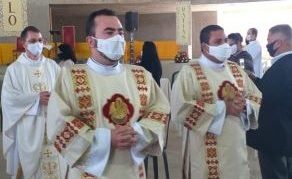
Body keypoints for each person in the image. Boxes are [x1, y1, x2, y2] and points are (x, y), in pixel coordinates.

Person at [47, 9, 170, 179]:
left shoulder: (140, 75)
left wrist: (138, 133)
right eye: (109, 32)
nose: (118, 38)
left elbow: (160, 110)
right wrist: (106, 139)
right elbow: (58, 122)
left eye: (120, 33)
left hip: (132, 169)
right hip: (88, 172)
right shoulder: (70, 77)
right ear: (91, 41)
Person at [171, 25, 262, 179]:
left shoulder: (235, 69)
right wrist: (223, 108)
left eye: (225, 41)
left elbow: (255, 96)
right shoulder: (190, 72)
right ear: (205, 47)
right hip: (205, 152)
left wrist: (245, 106)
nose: (225, 45)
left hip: (236, 148)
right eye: (218, 42)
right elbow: (181, 108)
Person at [1, 26, 61, 178]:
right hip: (29, 128)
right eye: (33, 41)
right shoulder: (14, 70)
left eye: (40, 40)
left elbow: (64, 91)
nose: (38, 44)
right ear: (24, 43)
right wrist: (35, 99)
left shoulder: (52, 66)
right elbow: (8, 100)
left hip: (54, 128)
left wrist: (55, 97)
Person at [246, 24, 292, 179]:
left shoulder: (281, 67)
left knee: (275, 174)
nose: (267, 45)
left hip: (275, 137)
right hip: (287, 134)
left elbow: (265, 98)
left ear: (278, 43)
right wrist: (255, 79)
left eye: (269, 40)